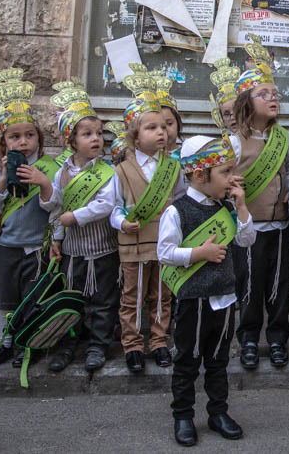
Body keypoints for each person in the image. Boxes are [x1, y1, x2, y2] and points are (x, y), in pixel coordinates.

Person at [158, 134, 255, 446]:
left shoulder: (226, 206)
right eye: (225, 172)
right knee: (187, 360)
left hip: (224, 296)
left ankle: (217, 412)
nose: (231, 178)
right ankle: (183, 416)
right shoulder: (178, 211)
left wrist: (241, 206)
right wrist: (198, 254)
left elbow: (246, 239)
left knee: (218, 359)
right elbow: (164, 253)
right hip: (193, 299)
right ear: (200, 175)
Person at [110, 64, 186, 373]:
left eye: (163, 127)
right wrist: (122, 223)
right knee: (133, 296)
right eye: (151, 128)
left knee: (161, 296)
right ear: (134, 136)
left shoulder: (174, 167)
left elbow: (180, 201)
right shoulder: (122, 170)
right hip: (134, 242)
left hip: (164, 242)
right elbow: (114, 207)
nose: (161, 132)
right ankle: (132, 345)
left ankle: (158, 341)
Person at [0, 77, 59, 370]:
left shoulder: (49, 167)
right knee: (4, 299)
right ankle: (5, 342)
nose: (23, 142)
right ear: (5, 142)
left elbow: (54, 206)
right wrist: (2, 179)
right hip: (8, 244)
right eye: (15, 137)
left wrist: (44, 184)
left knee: (32, 296)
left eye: (29, 135)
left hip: (36, 245)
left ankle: (28, 341)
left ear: (39, 138)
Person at [41, 81, 119, 372]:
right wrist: (57, 240)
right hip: (73, 251)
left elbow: (106, 204)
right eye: (87, 134)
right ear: (70, 140)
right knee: (71, 300)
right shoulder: (62, 171)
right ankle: (67, 344)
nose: (96, 139)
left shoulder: (107, 172)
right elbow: (57, 209)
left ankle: (98, 345)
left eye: (99, 133)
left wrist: (77, 217)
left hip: (102, 249)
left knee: (103, 301)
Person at [229, 37, 289, 370]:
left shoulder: (284, 139)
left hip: (281, 225)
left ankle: (279, 339)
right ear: (245, 101)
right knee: (250, 286)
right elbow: (225, 180)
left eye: (275, 94)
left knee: (280, 287)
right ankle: (250, 339)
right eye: (264, 94)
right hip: (250, 228)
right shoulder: (234, 141)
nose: (273, 99)